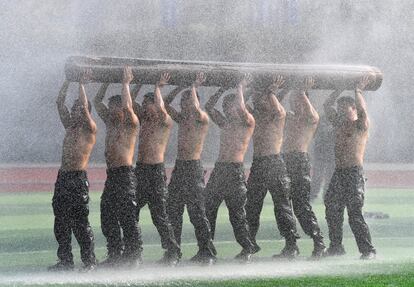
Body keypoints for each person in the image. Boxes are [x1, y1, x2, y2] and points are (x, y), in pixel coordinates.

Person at [244, 76, 299, 258]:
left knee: (282, 207)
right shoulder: (255, 115)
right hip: (259, 163)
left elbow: (280, 111)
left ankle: (291, 245)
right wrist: (246, 89)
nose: (256, 100)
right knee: (252, 206)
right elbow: (241, 106)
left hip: (274, 163)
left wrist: (271, 93)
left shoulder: (277, 116)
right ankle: (250, 244)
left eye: (259, 98)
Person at [164, 72, 216, 265]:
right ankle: (173, 252)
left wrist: (193, 85)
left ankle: (207, 252)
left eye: (186, 102)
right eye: (182, 103)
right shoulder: (182, 119)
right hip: (180, 167)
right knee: (173, 210)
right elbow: (166, 105)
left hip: (193, 167)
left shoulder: (201, 118)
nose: (182, 106)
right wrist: (180, 87)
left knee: (197, 213)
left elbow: (194, 107)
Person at [49, 70, 97, 271]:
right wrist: (68, 81)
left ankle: (89, 262)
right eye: (75, 108)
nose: (75, 110)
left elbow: (85, 106)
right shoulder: (70, 126)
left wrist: (81, 83)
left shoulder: (90, 128)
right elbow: (59, 102)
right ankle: (65, 260)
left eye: (78, 108)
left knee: (80, 221)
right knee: (61, 221)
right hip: (63, 177)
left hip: (77, 178)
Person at [93, 66, 142, 267]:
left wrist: (125, 83)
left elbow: (129, 107)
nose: (112, 110)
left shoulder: (131, 123)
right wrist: (106, 79)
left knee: (128, 216)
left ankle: (134, 256)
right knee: (107, 214)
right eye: (111, 106)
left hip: (125, 174)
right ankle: (115, 254)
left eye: (116, 106)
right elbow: (97, 102)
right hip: (112, 175)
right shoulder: (110, 122)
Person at [323, 75, 376, 260]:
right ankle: (336, 246)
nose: (340, 112)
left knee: (354, 213)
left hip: (354, 173)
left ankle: (368, 250)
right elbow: (326, 106)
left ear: (353, 109)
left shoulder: (360, 125)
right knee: (331, 208)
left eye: (344, 109)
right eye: (340, 109)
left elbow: (363, 110)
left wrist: (358, 90)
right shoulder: (339, 124)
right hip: (339, 173)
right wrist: (339, 87)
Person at [204, 75, 256, 262]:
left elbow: (242, 108)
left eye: (230, 106)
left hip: (234, 171)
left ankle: (247, 247)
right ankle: (207, 249)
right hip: (220, 170)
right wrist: (221, 90)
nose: (227, 110)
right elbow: (209, 108)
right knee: (208, 208)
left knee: (237, 214)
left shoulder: (247, 121)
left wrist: (239, 88)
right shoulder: (225, 123)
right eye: (226, 107)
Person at [133, 72, 180, 266]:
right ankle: (134, 251)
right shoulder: (144, 121)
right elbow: (132, 104)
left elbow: (161, 107)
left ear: (155, 104)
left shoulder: (164, 121)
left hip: (155, 172)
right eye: (143, 104)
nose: (143, 107)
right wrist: (136, 83)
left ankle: (173, 252)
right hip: (141, 170)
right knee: (131, 211)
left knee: (159, 214)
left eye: (147, 104)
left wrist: (157, 87)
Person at [282, 77, 327, 258]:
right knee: (284, 206)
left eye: (297, 100)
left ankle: (319, 243)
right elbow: (276, 104)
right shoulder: (289, 117)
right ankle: (291, 244)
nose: (293, 103)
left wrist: (301, 90)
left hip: (299, 161)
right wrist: (282, 88)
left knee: (301, 206)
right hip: (285, 160)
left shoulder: (311, 118)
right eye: (292, 100)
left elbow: (311, 113)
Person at [310, 112, 336, 202]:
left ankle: (325, 195)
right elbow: (313, 134)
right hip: (321, 153)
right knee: (318, 175)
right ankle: (314, 194)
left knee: (329, 176)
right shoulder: (321, 120)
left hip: (330, 154)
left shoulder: (336, 121)